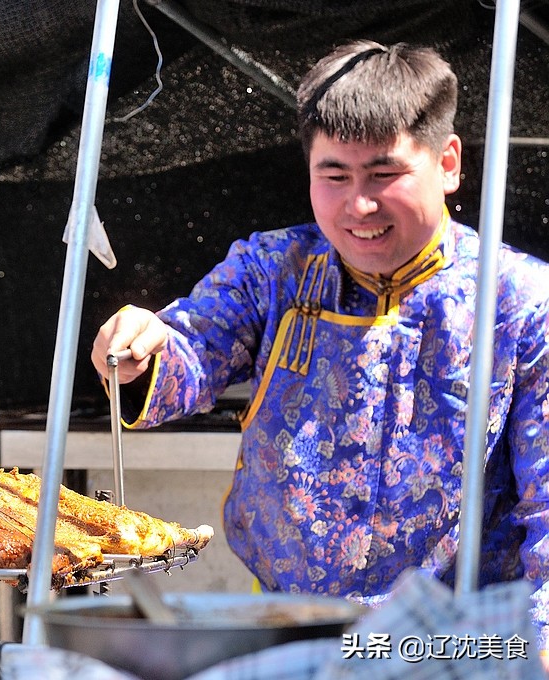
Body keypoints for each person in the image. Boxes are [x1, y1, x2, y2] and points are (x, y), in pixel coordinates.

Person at [91, 39, 549, 654]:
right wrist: (142, 347)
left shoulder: (520, 301)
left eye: (385, 174)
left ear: (448, 163)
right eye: (334, 175)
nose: (359, 205)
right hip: (287, 628)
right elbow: (192, 348)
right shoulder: (273, 268)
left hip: (458, 645)